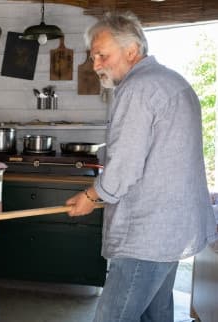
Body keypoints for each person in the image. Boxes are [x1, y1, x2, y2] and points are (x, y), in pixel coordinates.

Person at [65, 11, 218, 322]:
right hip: (171, 230)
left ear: (131, 51)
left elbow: (124, 166)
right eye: (93, 56)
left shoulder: (138, 89)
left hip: (146, 235)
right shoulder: (173, 81)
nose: (95, 65)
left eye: (101, 55)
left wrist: (92, 196)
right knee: (156, 314)